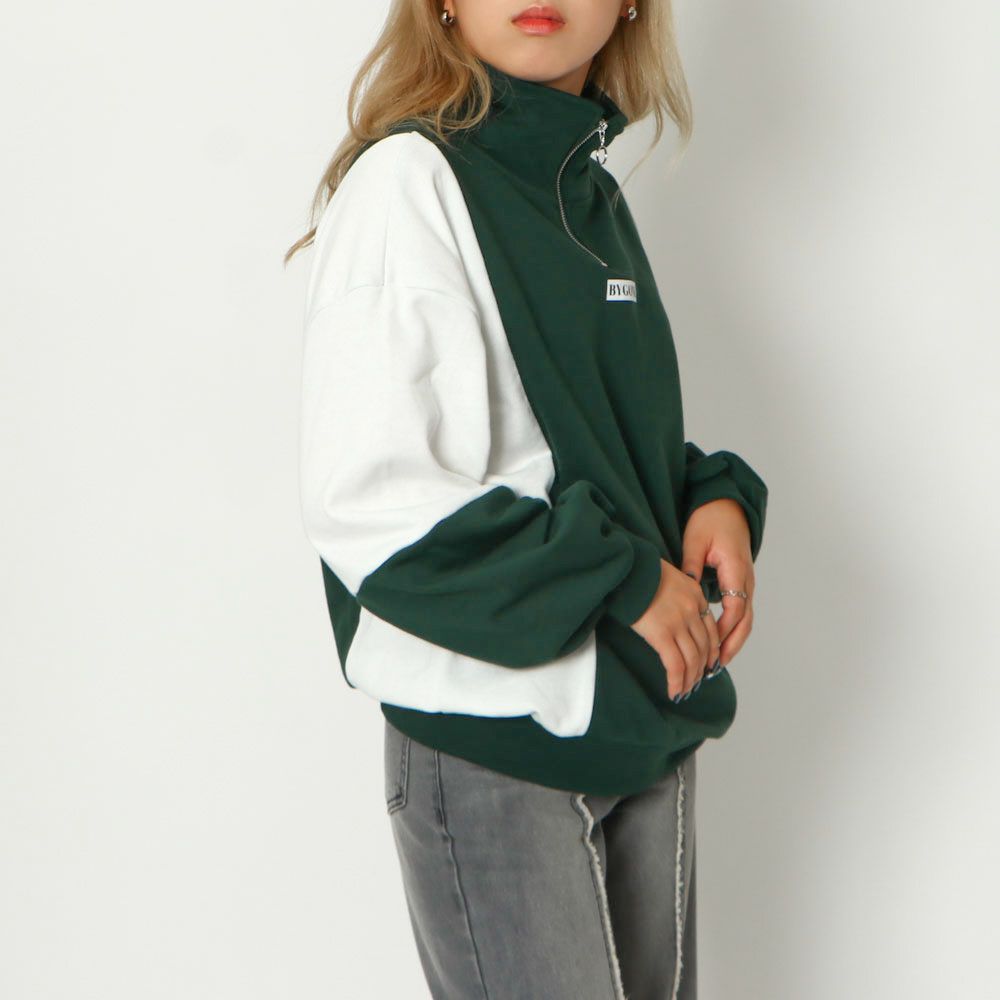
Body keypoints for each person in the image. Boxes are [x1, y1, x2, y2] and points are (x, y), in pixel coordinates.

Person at [287, 2, 767, 997]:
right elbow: (371, 501)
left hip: (645, 713)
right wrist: (623, 576)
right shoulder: (409, 183)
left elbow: (587, 438)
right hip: (496, 733)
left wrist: (706, 498)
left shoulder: (585, 190)